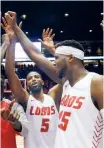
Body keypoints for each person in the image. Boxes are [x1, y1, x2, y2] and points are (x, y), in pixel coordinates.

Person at [3, 11, 103, 148]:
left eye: (56, 58)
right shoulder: (67, 84)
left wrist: (53, 50)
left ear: (70, 58)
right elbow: (35, 55)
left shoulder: (95, 83)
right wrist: (15, 29)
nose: (54, 62)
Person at [1, 16, 60, 148]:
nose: (33, 79)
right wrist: (12, 43)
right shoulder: (26, 99)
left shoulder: (53, 96)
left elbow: (65, 76)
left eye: (36, 77)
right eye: (30, 78)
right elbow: (10, 72)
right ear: (26, 85)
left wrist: (53, 51)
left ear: (43, 82)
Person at [0, 30, 29, 148]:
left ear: (3, 88)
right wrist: (5, 44)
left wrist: (15, 122)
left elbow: (26, 131)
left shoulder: (13, 106)